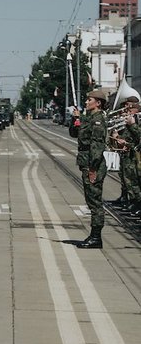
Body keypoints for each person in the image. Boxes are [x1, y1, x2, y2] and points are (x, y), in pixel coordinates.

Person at [69, 89, 108, 249]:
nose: (86, 102)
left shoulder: (98, 121)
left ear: (98, 103)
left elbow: (97, 146)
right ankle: (94, 236)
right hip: (87, 163)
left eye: (89, 100)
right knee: (91, 200)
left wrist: (93, 169)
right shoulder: (89, 119)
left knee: (95, 202)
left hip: (93, 165)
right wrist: (75, 119)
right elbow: (74, 133)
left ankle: (96, 237)